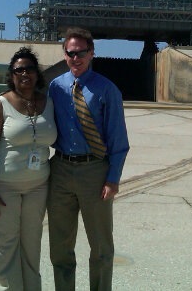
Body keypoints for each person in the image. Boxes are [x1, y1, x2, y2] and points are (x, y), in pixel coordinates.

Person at [48, 27, 130, 291]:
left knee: (101, 247)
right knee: (60, 247)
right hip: (60, 170)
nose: (75, 58)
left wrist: (113, 179)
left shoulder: (107, 90)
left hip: (94, 171)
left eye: (81, 52)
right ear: (65, 54)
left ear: (92, 53)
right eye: (70, 53)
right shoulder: (56, 87)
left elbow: (119, 141)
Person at [0, 46, 57, 290]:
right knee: (6, 251)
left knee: (32, 248)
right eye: (19, 70)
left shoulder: (48, 103)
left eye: (30, 69)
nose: (25, 74)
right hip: (1, 189)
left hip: (37, 188)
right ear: (11, 75)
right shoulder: (0, 105)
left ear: (37, 73)